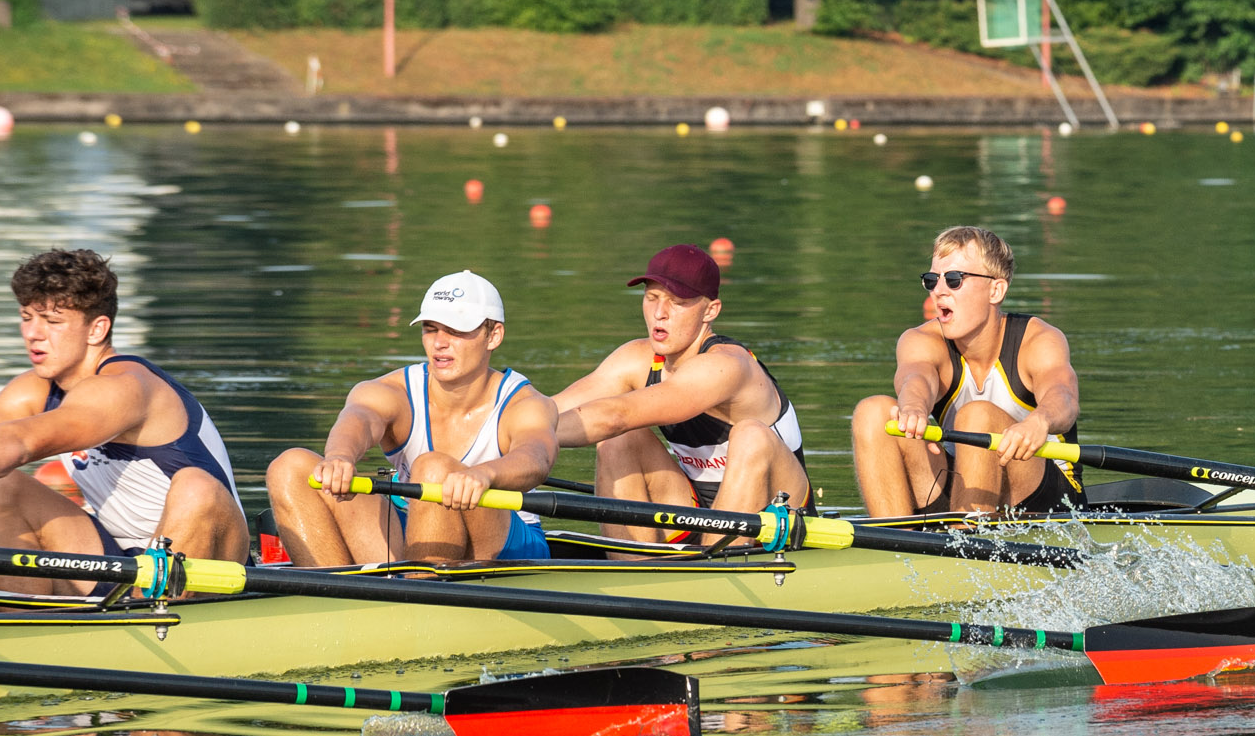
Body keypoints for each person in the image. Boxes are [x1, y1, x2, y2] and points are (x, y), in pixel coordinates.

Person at [0, 249, 247, 594]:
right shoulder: (33, 390)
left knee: (197, 486)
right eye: (26, 316)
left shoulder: (124, 387)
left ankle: (151, 618)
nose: (33, 333)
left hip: (209, 564)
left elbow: (16, 444)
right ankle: (18, 624)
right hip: (115, 559)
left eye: (53, 322)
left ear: (97, 329)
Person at [264, 271, 558, 566]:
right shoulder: (392, 391)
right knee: (289, 467)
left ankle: (417, 595)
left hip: (509, 543)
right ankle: (333, 598)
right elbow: (360, 417)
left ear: (493, 336)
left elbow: (537, 457)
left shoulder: (524, 403)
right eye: (430, 329)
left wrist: (485, 475)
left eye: (455, 330)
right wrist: (340, 457)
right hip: (417, 526)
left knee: (433, 467)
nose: (439, 343)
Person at [549, 244, 809, 546]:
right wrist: (497, 433)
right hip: (696, 508)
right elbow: (550, 410)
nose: (660, 313)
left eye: (678, 302)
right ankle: (634, 574)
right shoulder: (635, 358)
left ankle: (715, 575)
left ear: (710, 310)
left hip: (780, 515)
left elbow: (616, 416)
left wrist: (527, 436)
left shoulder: (726, 365)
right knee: (619, 440)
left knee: (751, 434)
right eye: (652, 298)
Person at [851, 226, 1082, 517]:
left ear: (995, 290)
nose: (939, 291)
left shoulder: (1039, 340)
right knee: (873, 412)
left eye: (955, 280)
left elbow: (1064, 397)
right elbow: (915, 379)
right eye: (932, 280)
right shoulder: (921, 341)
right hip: (960, 485)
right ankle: (894, 544)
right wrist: (913, 408)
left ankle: (969, 546)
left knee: (977, 415)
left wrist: (1040, 421)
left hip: (1047, 498)